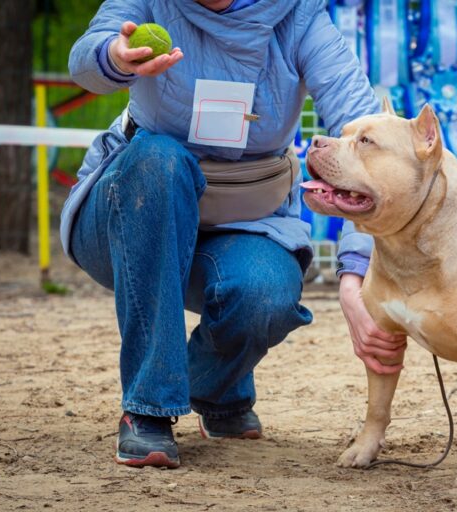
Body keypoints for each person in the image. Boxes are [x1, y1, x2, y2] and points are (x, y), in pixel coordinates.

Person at [62, 0, 405, 469]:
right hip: (130, 216)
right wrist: (114, 55)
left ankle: (217, 390)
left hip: (246, 219)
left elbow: (370, 136)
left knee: (266, 296)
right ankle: (149, 409)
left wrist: (355, 277)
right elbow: (84, 61)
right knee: (159, 158)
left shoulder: (301, 16)